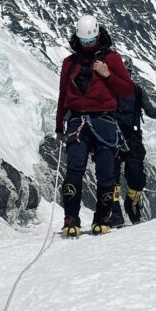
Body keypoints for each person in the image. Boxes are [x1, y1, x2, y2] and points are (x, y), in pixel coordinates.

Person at [55, 14, 134, 237]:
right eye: (84, 42)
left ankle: (102, 217)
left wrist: (108, 75)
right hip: (77, 120)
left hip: (104, 119)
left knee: (106, 172)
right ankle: (71, 219)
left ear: (98, 36)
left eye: (91, 41)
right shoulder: (70, 63)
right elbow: (63, 95)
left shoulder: (112, 59)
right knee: (74, 169)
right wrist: (59, 125)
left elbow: (127, 90)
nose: (88, 45)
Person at [109, 56, 156, 227]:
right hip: (112, 137)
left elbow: (151, 112)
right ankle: (114, 211)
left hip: (133, 139)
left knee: (137, 178)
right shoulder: (108, 90)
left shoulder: (137, 91)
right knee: (111, 177)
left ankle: (132, 202)